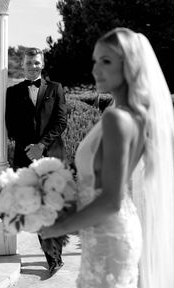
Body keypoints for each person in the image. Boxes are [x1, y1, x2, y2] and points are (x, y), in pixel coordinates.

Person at [40, 27, 174, 288]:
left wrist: (57, 228)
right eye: (95, 60)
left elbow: (111, 200)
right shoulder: (135, 115)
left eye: (107, 61)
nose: (96, 69)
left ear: (130, 65)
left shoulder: (115, 118)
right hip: (112, 231)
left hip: (109, 233)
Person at [5, 47, 68, 275]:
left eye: (36, 63)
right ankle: (53, 256)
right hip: (26, 158)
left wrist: (41, 146)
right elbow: (11, 126)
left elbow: (61, 122)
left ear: (42, 64)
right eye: (29, 62)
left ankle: (54, 257)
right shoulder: (12, 92)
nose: (33, 66)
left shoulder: (56, 88)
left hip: (51, 157)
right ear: (23, 65)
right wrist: (29, 149)